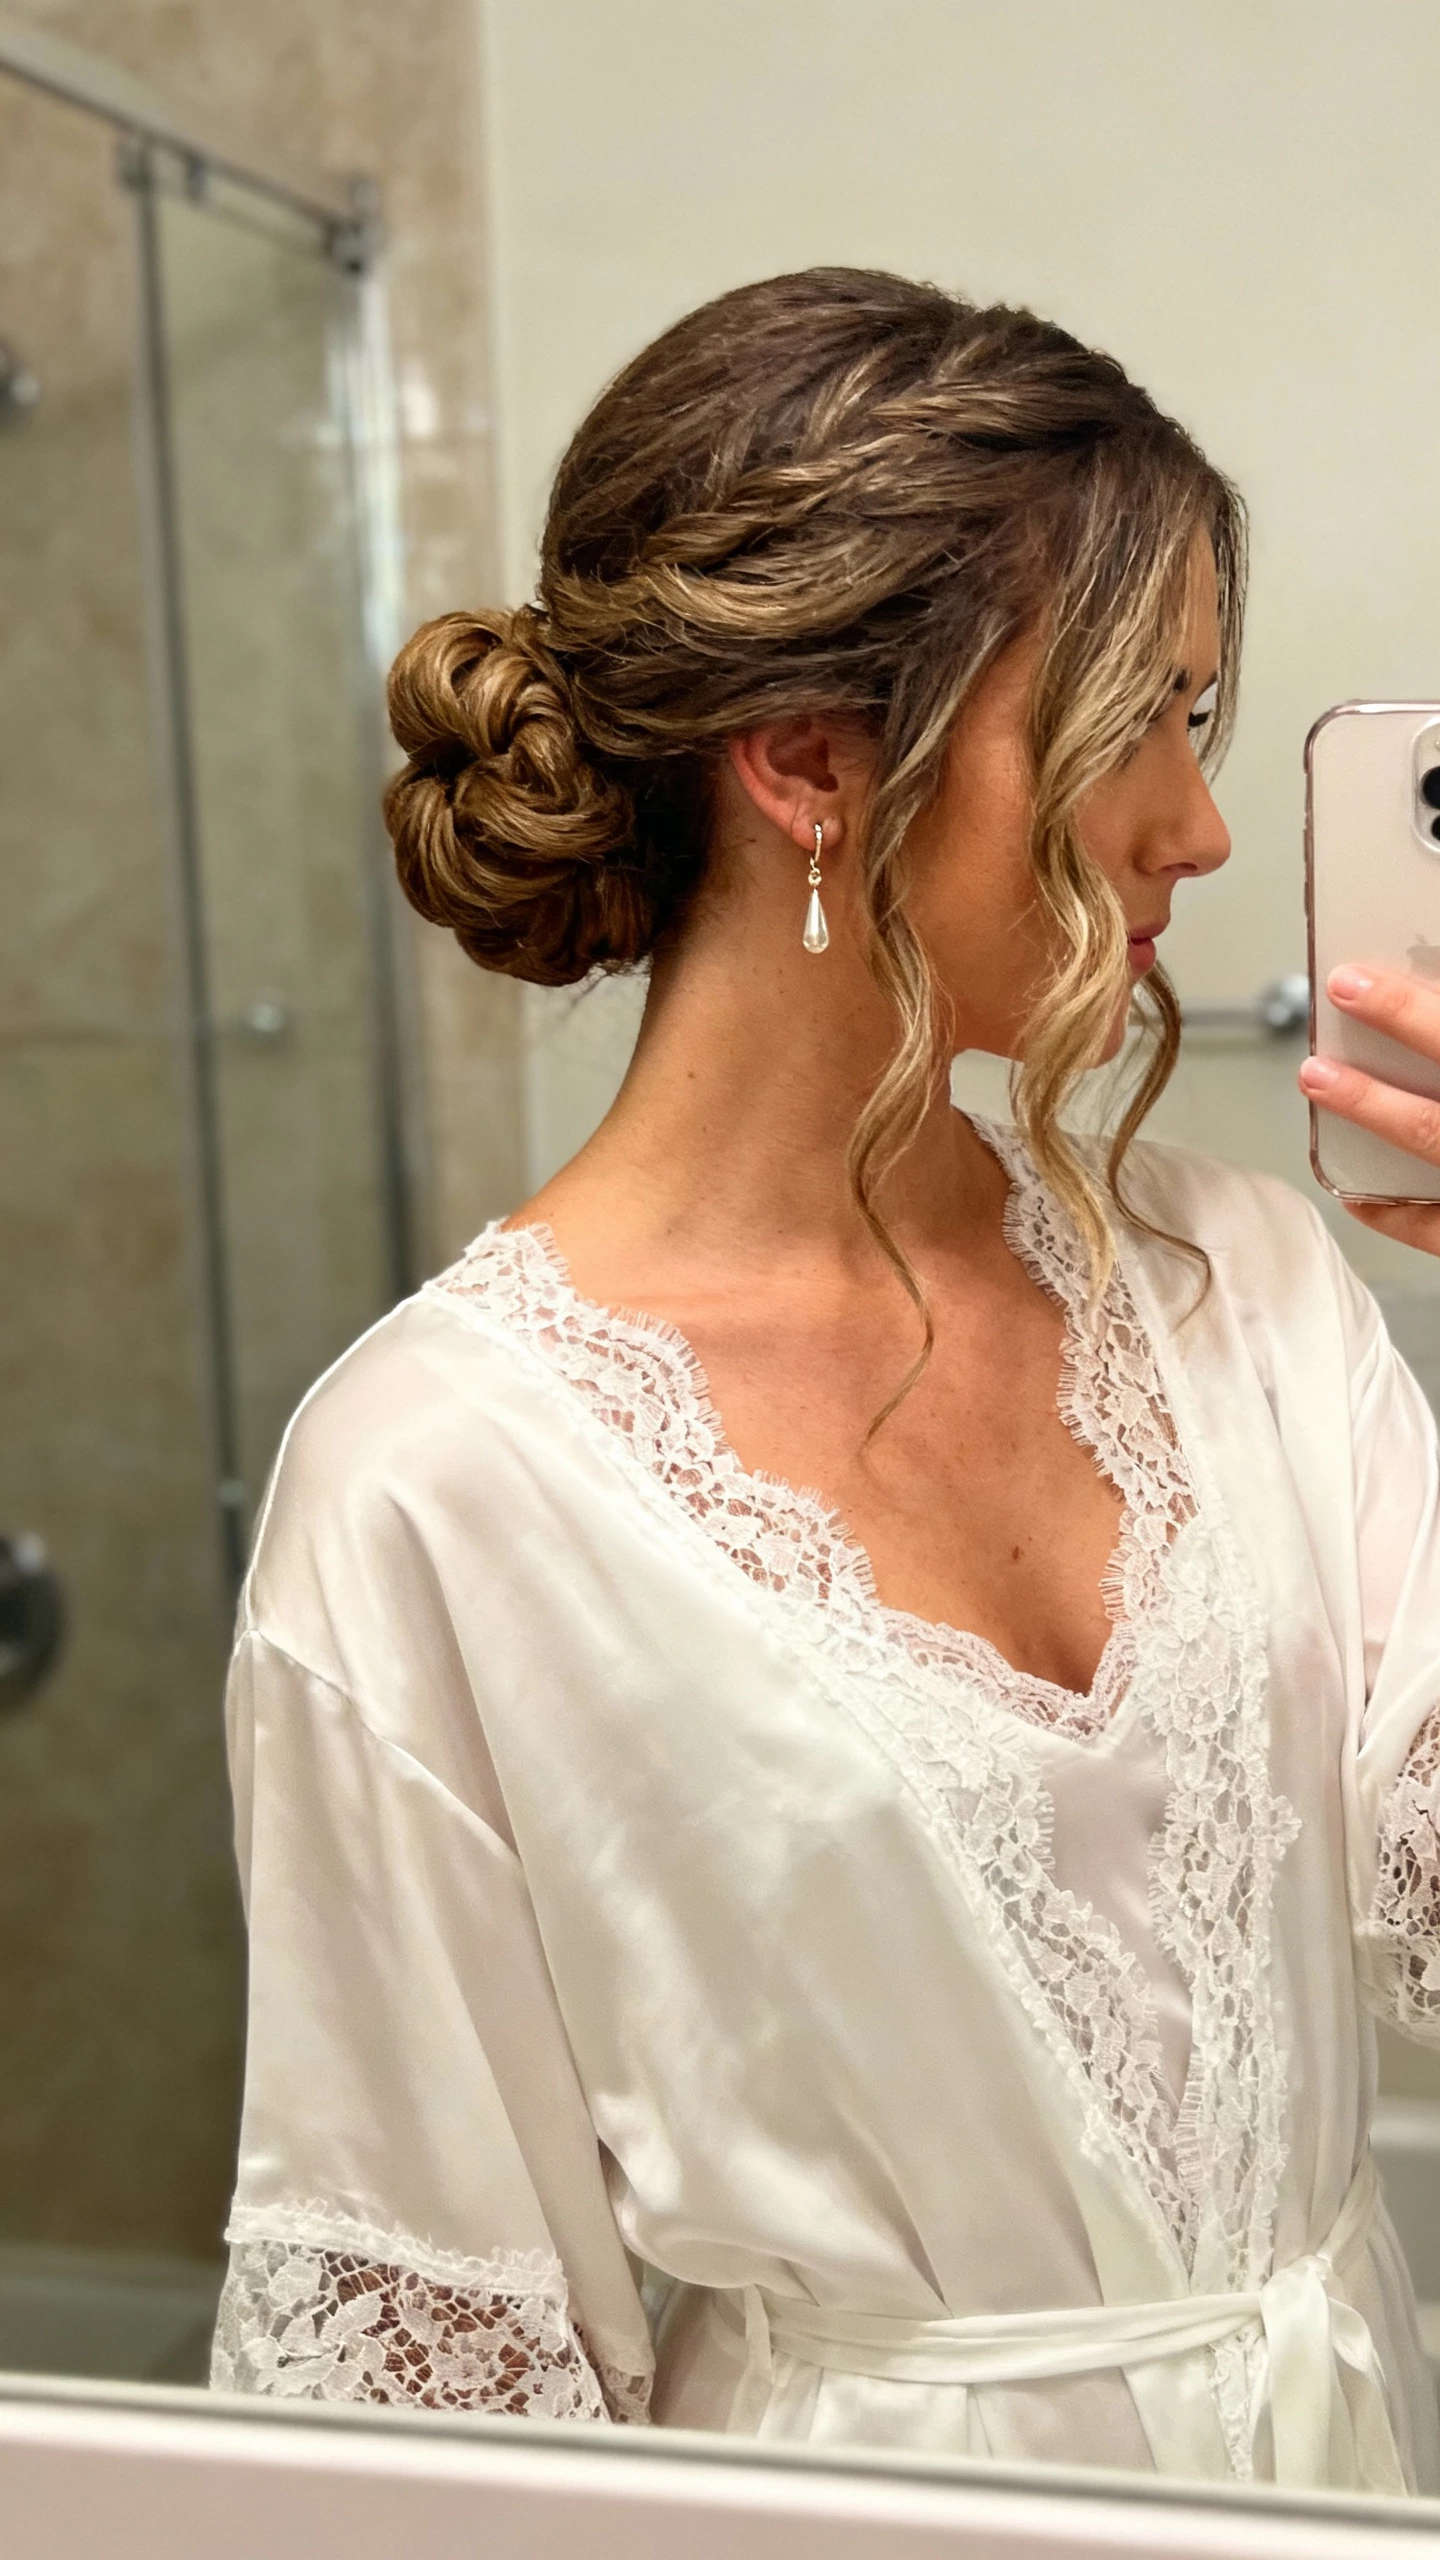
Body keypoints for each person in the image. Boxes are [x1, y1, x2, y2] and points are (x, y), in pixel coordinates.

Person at [209, 268, 1440, 2493]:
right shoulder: (430, 1486)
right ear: (806, 759)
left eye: (1201, 714)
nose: (1202, 825)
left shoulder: (1248, 1287)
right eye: (1132, 721)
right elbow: (420, 2411)